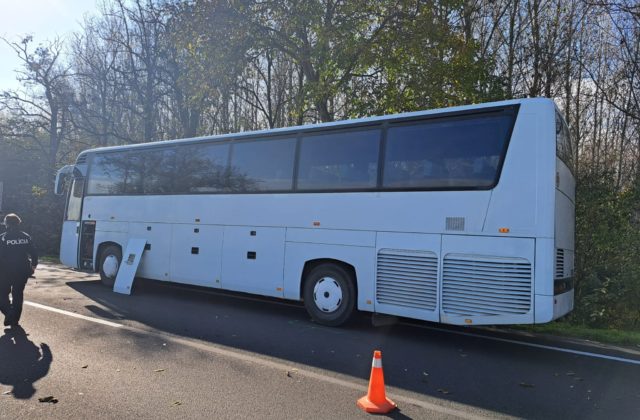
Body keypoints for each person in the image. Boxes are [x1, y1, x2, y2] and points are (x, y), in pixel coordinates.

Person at [0, 213, 38, 327]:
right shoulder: (26, 236)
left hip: (5, 271)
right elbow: (34, 253)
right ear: (18, 223)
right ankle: (14, 319)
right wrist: (33, 266)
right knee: (18, 294)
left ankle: (9, 314)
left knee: (2, 294)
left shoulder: (3, 237)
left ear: (6, 224)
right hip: (22, 270)